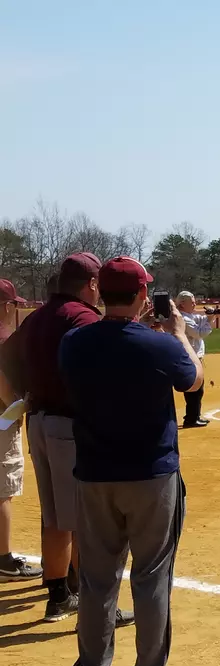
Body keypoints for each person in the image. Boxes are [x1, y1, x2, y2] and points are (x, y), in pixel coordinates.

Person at [60, 256, 203, 666]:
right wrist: (178, 333)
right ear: (144, 296)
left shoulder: (74, 342)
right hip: (150, 474)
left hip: (94, 473)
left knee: (97, 580)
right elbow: (194, 382)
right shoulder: (159, 345)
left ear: (99, 292)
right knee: (151, 575)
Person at [0, 253, 133, 625]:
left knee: (57, 517)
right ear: (92, 285)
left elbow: (4, 359)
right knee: (88, 519)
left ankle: (60, 596)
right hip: (70, 427)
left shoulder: (39, 316)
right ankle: (94, 604)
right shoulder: (83, 317)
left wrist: (18, 399)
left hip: (39, 422)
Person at [0, 280, 41, 581]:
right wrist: (12, 404)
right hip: (0, 420)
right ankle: (3, 559)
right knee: (2, 490)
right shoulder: (4, 336)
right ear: (6, 306)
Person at [175, 291, 214, 429]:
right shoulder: (183, 318)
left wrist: (210, 315)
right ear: (182, 304)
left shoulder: (188, 316)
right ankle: (191, 418)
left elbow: (199, 319)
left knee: (198, 388)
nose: (194, 303)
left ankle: (194, 416)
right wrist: (209, 320)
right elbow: (198, 333)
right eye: (191, 302)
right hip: (190, 356)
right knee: (195, 389)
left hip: (194, 355)